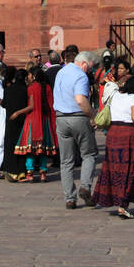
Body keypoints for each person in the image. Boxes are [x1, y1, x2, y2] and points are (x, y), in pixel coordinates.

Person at [93, 64, 134, 218]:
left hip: (113, 134)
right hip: (129, 134)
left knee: (113, 167)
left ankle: (111, 198)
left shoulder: (115, 96)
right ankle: (123, 204)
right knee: (129, 169)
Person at [53, 49, 97, 209]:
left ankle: (69, 198)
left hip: (61, 118)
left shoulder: (61, 72)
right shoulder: (80, 75)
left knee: (66, 161)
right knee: (89, 154)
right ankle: (85, 186)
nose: (90, 70)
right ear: (83, 63)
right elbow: (80, 99)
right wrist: (92, 115)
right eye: (90, 67)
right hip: (78, 117)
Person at [12, 66, 58, 181]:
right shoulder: (47, 87)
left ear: (34, 76)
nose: (28, 77)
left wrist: (17, 112)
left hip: (32, 121)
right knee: (42, 149)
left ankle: (30, 174)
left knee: (30, 149)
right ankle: (43, 173)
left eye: (29, 74)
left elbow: (31, 106)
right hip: (45, 121)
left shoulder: (31, 88)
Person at [0, 66, 30, 181]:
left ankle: (10, 171)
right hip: (23, 121)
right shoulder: (26, 90)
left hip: (10, 121)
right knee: (21, 147)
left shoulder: (8, 89)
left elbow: (4, 104)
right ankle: (21, 172)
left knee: (10, 146)